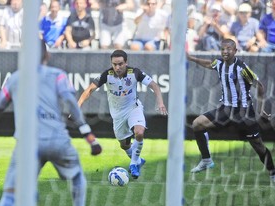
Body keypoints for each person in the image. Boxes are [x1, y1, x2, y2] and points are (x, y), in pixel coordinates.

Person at [0, 40, 102, 206]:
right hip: (58, 140)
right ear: (46, 56)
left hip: (27, 143)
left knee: (11, 189)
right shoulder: (58, 75)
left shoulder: (14, 79)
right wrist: (88, 136)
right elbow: (71, 104)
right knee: (77, 178)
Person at [187, 38, 275, 182]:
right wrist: (191, 58)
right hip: (226, 110)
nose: (225, 51)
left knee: (258, 145)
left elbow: (260, 86)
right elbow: (209, 63)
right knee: (197, 124)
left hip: (244, 113)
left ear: (235, 51)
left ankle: (273, 172)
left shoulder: (241, 68)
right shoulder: (219, 63)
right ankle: (206, 160)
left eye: (229, 49)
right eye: (223, 49)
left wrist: (260, 108)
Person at [77, 49, 167, 179]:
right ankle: (138, 160)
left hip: (133, 108)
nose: (117, 67)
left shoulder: (135, 73)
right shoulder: (107, 75)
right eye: (114, 64)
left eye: (120, 64)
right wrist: (78, 105)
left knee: (139, 132)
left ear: (126, 62)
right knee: (124, 145)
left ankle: (133, 164)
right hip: (117, 115)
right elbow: (90, 89)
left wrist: (160, 103)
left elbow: (154, 86)